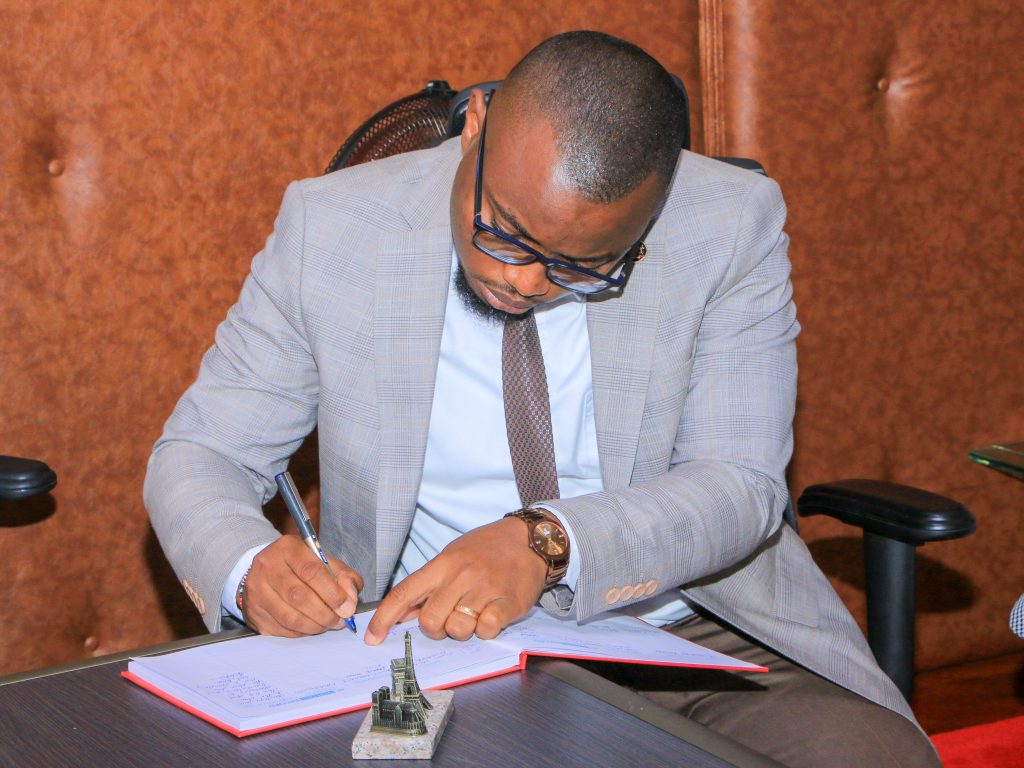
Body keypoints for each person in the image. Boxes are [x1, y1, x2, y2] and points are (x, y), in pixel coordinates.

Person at [145, 31, 940, 767]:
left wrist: (544, 542)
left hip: (688, 632)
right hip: (439, 650)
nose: (520, 280)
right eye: (502, 229)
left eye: (579, 266)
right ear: (476, 127)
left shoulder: (727, 225)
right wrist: (247, 565)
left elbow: (740, 486)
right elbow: (203, 452)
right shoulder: (334, 228)